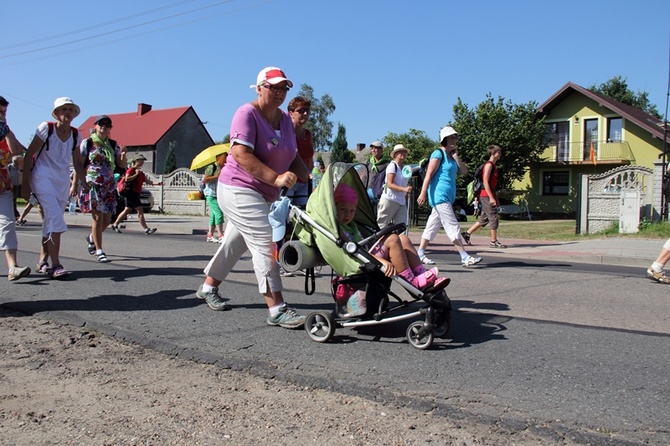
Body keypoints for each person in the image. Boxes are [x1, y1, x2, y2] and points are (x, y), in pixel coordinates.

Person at [195, 66, 311, 329]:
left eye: (284, 88)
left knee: (235, 244)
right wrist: (277, 178)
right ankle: (277, 308)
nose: (279, 92)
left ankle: (207, 286)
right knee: (263, 243)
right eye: (274, 87)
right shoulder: (246, 113)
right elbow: (240, 155)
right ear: (259, 88)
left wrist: (310, 178)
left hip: (263, 194)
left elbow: (292, 155)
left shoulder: (284, 120)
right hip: (238, 189)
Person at [335, 184, 445, 290]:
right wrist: (381, 261)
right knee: (393, 239)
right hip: (360, 260)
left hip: (366, 255)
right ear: (335, 209)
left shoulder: (352, 226)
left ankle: (421, 273)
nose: (347, 215)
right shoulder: (339, 230)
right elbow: (354, 251)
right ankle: (412, 282)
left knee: (403, 238)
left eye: (352, 211)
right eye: (343, 210)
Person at [22, 97, 83, 279]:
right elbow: (28, 156)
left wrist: (82, 183)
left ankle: (42, 260)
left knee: (51, 219)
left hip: (61, 181)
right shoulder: (46, 129)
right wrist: (25, 186)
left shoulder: (75, 134)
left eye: (71, 109)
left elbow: (78, 163)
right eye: (64, 109)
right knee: (55, 217)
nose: (68, 112)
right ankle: (56, 264)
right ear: (56, 113)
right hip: (42, 177)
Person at [416, 126, 482, 267]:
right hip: (439, 196)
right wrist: (422, 193)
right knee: (452, 225)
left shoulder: (451, 157)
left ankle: (420, 253)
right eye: (451, 137)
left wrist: (456, 156)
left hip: (446, 196)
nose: (454, 140)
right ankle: (464, 256)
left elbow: (464, 171)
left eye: (455, 137)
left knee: (432, 227)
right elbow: (428, 174)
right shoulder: (438, 153)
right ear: (444, 139)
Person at [74, 115, 127, 263]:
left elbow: (121, 165)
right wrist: (76, 184)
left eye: (108, 124)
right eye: (101, 124)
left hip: (109, 185)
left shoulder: (113, 144)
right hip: (93, 184)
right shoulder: (88, 142)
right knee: (97, 217)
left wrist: (123, 153)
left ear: (110, 128)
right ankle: (99, 250)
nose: (104, 126)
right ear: (96, 126)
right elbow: (79, 163)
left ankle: (91, 238)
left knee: (108, 219)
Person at [0, 96, 31, 281]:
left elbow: (17, 150)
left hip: (3, 184)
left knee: (8, 224)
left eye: (4, 112)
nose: (2, 115)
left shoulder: (4, 131)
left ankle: (13, 267)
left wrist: (6, 129)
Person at [461, 145, 507, 248]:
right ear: (493, 153)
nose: (500, 154)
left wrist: (494, 197)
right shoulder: (489, 165)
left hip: (489, 194)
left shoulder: (493, 166)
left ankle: (467, 233)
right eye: (498, 152)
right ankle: (493, 242)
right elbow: (485, 181)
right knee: (493, 217)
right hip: (485, 194)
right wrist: (491, 197)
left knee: (485, 218)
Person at [110, 153, 159, 235]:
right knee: (140, 210)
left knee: (126, 210)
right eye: (141, 161)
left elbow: (147, 181)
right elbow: (127, 179)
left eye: (143, 161)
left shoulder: (141, 172)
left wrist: (158, 183)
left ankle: (115, 225)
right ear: (136, 161)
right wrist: (136, 174)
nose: (142, 162)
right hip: (130, 193)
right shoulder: (131, 170)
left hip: (135, 193)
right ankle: (146, 229)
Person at [286, 96, 314, 209]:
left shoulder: (308, 135)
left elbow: (310, 160)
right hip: (289, 181)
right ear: (291, 113)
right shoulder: (286, 132)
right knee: (285, 215)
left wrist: (311, 178)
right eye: (301, 110)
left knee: (302, 215)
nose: (305, 114)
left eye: (308, 111)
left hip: (304, 183)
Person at [376, 143, 412, 230]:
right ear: (395, 154)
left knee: (402, 226)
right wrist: (404, 189)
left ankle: (399, 242)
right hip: (390, 199)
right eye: (400, 152)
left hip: (401, 201)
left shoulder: (404, 168)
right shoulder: (392, 166)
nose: (403, 154)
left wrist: (406, 191)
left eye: (404, 152)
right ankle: (375, 242)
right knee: (382, 225)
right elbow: (389, 184)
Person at [200, 150, 227, 242]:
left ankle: (210, 235)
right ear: (218, 158)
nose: (226, 159)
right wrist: (217, 176)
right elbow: (205, 179)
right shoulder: (212, 167)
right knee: (219, 213)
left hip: (218, 194)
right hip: (211, 194)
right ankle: (220, 235)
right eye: (224, 157)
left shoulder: (222, 168)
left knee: (214, 215)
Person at [8, 154, 22, 219]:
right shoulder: (10, 167)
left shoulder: (20, 167)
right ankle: (15, 214)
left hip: (17, 185)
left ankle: (15, 214)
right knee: (12, 200)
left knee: (14, 200)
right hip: (10, 186)